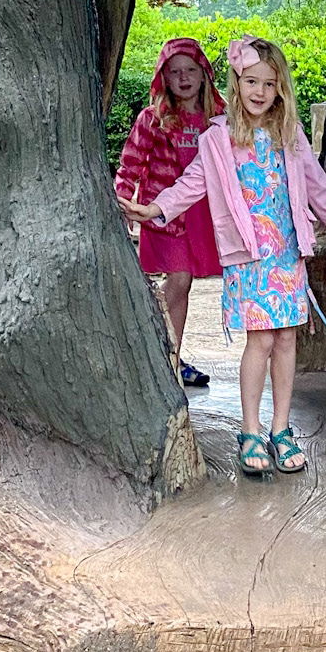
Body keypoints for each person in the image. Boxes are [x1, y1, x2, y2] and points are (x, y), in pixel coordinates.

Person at [124, 35, 326, 478]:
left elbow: (316, 183)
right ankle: (251, 429)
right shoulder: (218, 137)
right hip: (248, 255)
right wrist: (156, 208)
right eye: (251, 81)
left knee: (287, 338)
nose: (259, 92)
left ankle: (281, 429)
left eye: (269, 84)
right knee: (260, 341)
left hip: (287, 252)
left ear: (280, 89)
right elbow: (192, 182)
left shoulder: (287, 133)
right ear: (236, 83)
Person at [114, 38, 225, 389]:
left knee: (184, 284)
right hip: (160, 212)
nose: (184, 78)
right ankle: (165, 357)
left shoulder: (218, 119)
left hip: (201, 216)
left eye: (191, 69)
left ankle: (170, 355)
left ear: (204, 74)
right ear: (164, 77)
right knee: (179, 280)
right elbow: (131, 163)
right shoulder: (152, 118)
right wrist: (122, 203)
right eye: (174, 72)